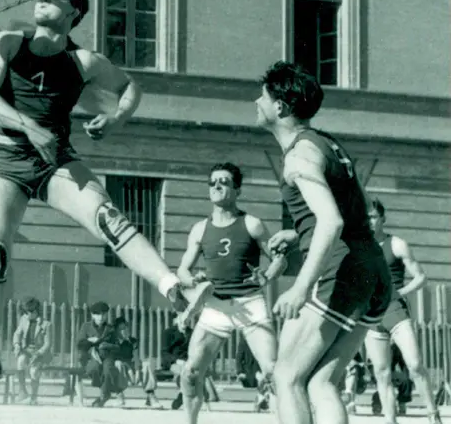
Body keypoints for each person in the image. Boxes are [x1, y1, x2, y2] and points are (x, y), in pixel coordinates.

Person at [0, 0, 212, 389]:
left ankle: (175, 291)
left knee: (110, 218)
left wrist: (117, 118)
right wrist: (30, 127)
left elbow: (131, 86)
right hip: (5, 156)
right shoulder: (9, 43)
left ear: (73, 13)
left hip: (56, 159)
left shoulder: (84, 62)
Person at [256, 61, 392, 424]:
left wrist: (300, 287)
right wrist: (298, 233)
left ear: (280, 107)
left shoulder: (299, 154)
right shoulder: (330, 143)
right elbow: (358, 208)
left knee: (286, 377)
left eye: (263, 96)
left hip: (343, 272)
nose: (257, 102)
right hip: (374, 269)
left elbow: (331, 222)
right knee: (322, 382)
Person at [177, 162, 288, 420]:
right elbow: (182, 270)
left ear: (237, 190)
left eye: (224, 182)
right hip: (215, 305)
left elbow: (280, 260)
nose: (217, 186)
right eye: (213, 182)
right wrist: (193, 280)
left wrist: (267, 277)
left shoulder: (252, 224)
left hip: (250, 303)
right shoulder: (199, 229)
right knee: (191, 372)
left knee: (272, 371)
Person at [364, 199, 442, 424]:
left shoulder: (396, 244)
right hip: (371, 315)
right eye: (366, 217)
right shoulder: (358, 247)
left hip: (395, 310)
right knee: (381, 372)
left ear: (382, 219)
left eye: (373, 217)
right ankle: (390, 419)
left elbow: (421, 276)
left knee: (415, 364)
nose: (369, 221)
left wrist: (400, 292)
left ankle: (432, 415)